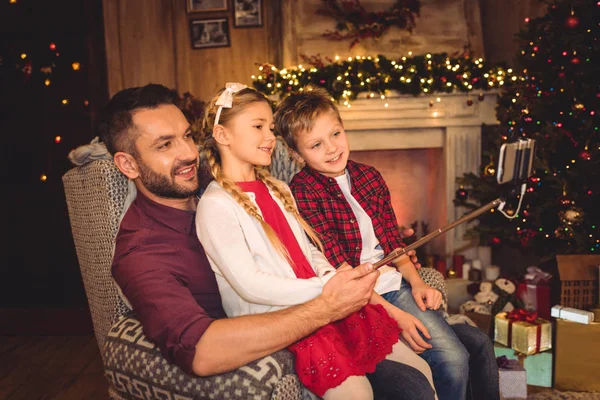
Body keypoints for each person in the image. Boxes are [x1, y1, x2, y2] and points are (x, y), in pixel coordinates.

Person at [97, 83, 436, 399]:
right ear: (128, 164)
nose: (188, 153)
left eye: (187, 136)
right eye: (165, 144)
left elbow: (306, 247)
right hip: (282, 320)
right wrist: (327, 295)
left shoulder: (220, 183)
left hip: (321, 301)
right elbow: (201, 350)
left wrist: (364, 263)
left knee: (426, 369)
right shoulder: (142, 252)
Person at [275, 85, 500, 400]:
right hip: (358, 300)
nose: (331, 148)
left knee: (461, 353)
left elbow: (393, 242)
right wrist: (398, 316)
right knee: (451, 357)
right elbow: (340, 269)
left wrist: (417, 282)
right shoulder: (304, 192)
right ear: (297, 154)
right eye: (315, 144)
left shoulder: (369, 177)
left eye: (335, 134)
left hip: (395, 287)